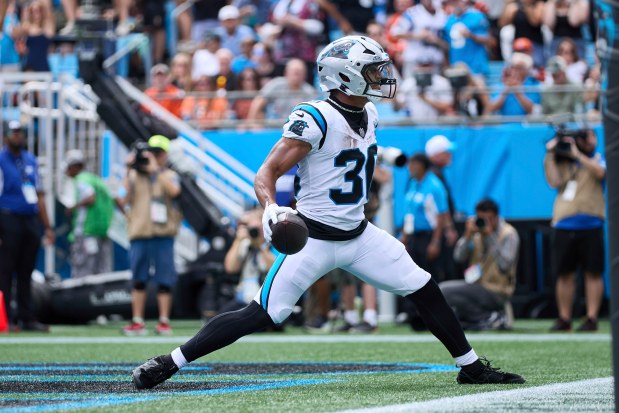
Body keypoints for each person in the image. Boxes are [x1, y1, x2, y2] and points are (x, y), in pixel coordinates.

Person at [132, 36, 525, 389]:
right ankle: (171, 362)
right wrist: (270, 209)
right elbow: (266, 172)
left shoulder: (369, 112)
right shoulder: (315, 117)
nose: (381, 76)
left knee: (424, 287)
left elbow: (352, 157)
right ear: (347, 76)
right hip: (312, 238)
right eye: (373, 70)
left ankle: (470, 367)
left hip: (358, 234)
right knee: (261, 314)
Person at [544, 129, 605, 332]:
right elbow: (553, 181)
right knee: (564, 273)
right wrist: (551, 153)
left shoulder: (598, 158)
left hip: (591, 224)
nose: (588, 140)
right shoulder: (563, 162)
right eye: (584, 137)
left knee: (593, 272)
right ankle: (564, 318)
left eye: (591, 137)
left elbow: (600, 172)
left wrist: (577, 155)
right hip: (564, 224)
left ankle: (591, 317)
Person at [121, 135, 183, 336]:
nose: (153, 156)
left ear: (164, 155)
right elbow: (125, 198)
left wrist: (155, 170)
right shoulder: (134, 175)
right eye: (151, 153)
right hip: (140, 232)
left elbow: (174, 192)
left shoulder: (169, 175)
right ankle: (137, 320)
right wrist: (129, 168)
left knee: (164, 278)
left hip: (163, 232)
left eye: (157, 153)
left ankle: (164, 321)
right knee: (138, 278)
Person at [0, 120, 53, 332]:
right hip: (8, 218)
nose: (18, 136)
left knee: (26, 271)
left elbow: (39, 194)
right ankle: (7, 317)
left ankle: (27, 317)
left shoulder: (29, 159)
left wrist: (47, 226)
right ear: (6, 136)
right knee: (5, 271)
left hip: (30, 219)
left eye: (20, 132)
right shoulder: (1, 159)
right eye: (14, 132)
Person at [440, 199, 520, 330]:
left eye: (488, 218)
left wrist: (490, 236)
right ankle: (489, 317)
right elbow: (458, 257)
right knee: (447, 299)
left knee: (445, 290)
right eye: (481, 218)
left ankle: (488, 317)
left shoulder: (509, 234)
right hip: (476, 286)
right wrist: (467, 236)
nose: (484, 222)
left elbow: (505, 265)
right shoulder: (476, 231)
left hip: (497, 290)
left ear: (496, 217)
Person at [64, 150, 114, 278]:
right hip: (102, 231)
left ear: (75, 166)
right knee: (102, 270)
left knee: (83, 271)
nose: (67, 171)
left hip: (86, 232)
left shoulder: (81, 180)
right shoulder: (96, 179)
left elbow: (90, 197)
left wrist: (72, 207)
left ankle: (81, 298)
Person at [221, 208, 276, 313]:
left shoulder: (274, 243)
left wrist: (260, 245)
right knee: (223, 316)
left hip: (267, 298)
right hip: (243, 297)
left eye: (258, 228)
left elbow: (275, 269)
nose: (254, 232)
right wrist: (238, 240)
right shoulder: (245, 244)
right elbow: (230, 268)